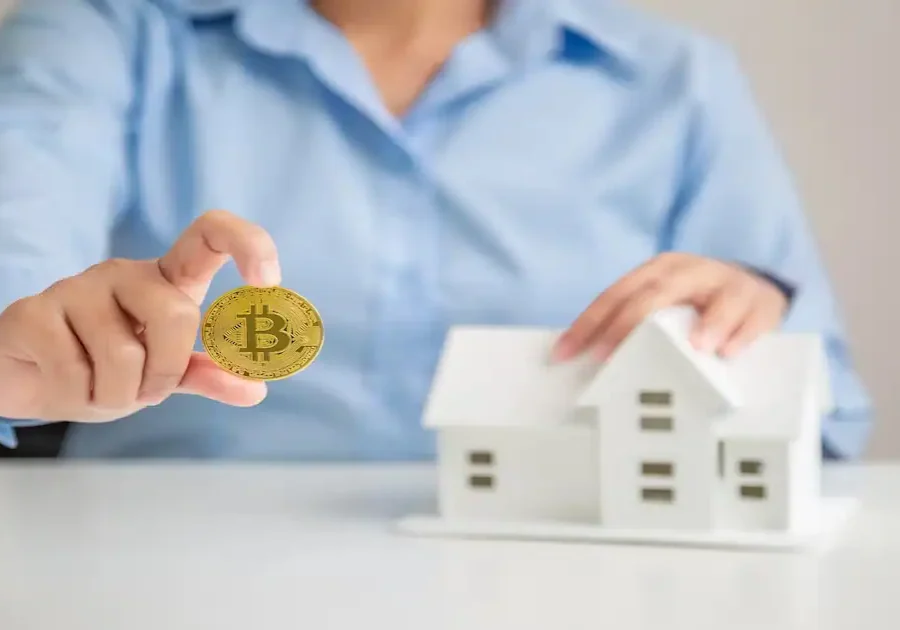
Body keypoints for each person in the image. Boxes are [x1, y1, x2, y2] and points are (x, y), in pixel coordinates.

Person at [0, 0, 872, 461]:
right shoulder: (102, 29)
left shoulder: (679, 80)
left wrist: (743, 338)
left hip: (576, 567)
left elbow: (829, 413)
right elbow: (18, 246)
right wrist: (28, 342)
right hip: (156, 564)